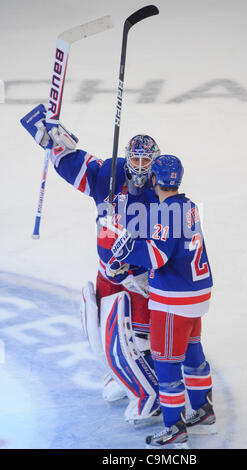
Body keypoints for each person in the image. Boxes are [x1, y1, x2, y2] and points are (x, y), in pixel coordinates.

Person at [20, 103, 161, 424]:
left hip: (139, 278)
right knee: (101, 328)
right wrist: (53, 140)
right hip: (106, 272)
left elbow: (165, 239)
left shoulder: (158, 192)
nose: (140, 166)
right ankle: (122, 374)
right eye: (135, 159)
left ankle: (149, 385)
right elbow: (74, 165)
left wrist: (142, 270)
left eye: (146, 161)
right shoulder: (109, 174)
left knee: (139, 334)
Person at [107, 154, 216, 448]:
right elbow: (174, 246)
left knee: (167, 366)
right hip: (197, 294)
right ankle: (204, 412)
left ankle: (175, 429)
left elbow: (158, 256)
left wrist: (127, 252)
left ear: (154, 180)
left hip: (173, 300)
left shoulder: (162, 213)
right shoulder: (189, 206)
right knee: (193, 355)